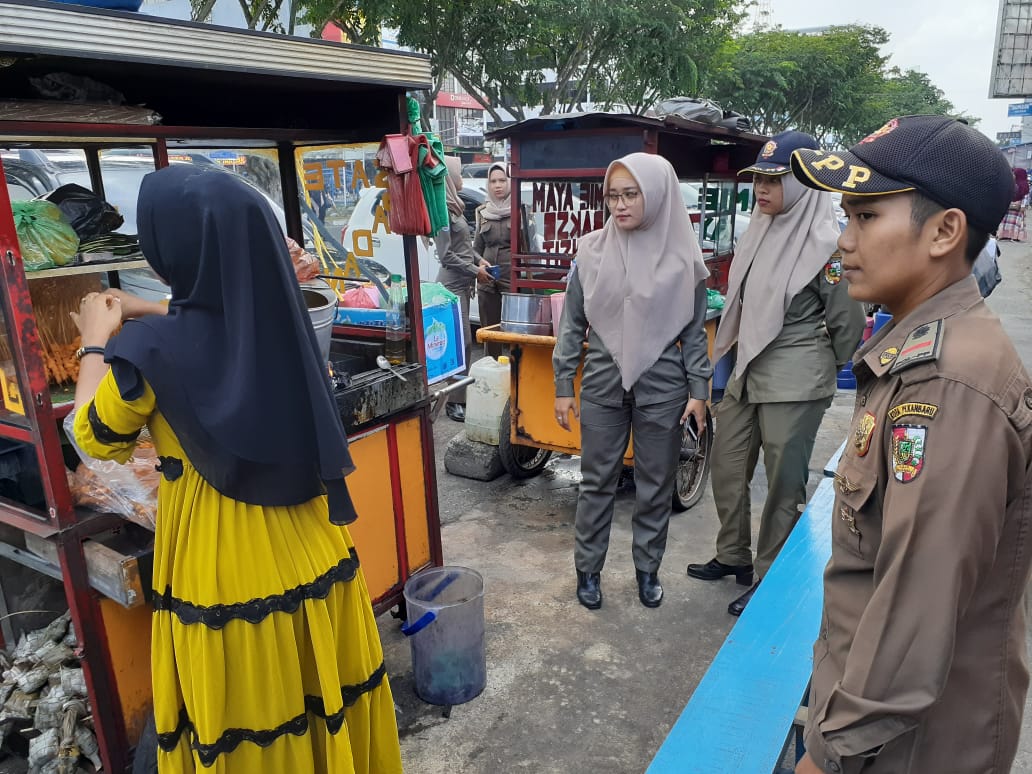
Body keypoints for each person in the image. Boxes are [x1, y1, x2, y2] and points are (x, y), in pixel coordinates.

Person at [69, 165, 403, 773]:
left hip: (220, 562)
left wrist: (96, 340)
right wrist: (143, 309)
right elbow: (218, 312)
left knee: (250, 721)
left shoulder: (145, 352)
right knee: (319, 698)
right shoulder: (279, 321)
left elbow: (94, 438)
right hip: (313, 549)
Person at [788, 115, 1032, 774]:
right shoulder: (920, 352)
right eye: (846, 217)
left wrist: (827, 756)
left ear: (945, 232)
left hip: (905, 748)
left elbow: (915, 611)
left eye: (866, 217)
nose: (845, 240)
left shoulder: (949, 384)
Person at [687, 131, 865, 616]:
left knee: (784, 485)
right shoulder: (759, 231)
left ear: (804, 183)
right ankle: (733, 555)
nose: (761, 189)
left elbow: (847, 320)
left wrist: (821, 365)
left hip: (795, 379)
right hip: (747, 369)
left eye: (774, 180)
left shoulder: (827, 247)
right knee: (727, 466)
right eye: (758, 179)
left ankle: (769, 575)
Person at [553, 152, 711, 610]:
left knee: (655, 484)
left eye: (631, 194)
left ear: (657, 195)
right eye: (612, 196)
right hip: (603, 384)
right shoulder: (591, 251)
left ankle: (648, 570)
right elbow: (572, 324)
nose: (619, 205)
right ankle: (588, 571)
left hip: (663, 389)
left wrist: (700, 391)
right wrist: (563, 386)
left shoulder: (684, 260)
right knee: (595, 482)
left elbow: (693, 332)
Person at [435, 156, 491, 422]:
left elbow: (465, 248)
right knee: (461, 344)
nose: (461, 178)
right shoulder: (443, 212)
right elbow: (446, 255)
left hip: (463, 283)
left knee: (463, 344)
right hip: (450, 286)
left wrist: (480, 261)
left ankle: (459, 397)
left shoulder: (455, 207)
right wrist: (474, 270)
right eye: (457, 174)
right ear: (449, 179)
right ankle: (453, 401)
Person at [474, 162, 511, 358]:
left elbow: (529, 246)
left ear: (510, 182)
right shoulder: (481, 212)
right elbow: (476, 248)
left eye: (502, 180)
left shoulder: (520, 209)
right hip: (487, 281)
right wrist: (479, 264)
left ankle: (516, 372)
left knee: (516, 334)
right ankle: (492, 367)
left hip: (512, 281)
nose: (497, 185)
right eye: (493, 181)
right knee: (490, 332)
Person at [998, 166, 1028, 242]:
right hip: (1009, 206)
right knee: (1007, 222)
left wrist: (1023, 206)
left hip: (1018, 207)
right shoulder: (1011, 183)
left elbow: (1025, 197)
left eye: (1015, 174)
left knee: (1016, 222)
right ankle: (1005, 235)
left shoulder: (1024, 186)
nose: (1013, 175)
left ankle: (1015, 236)